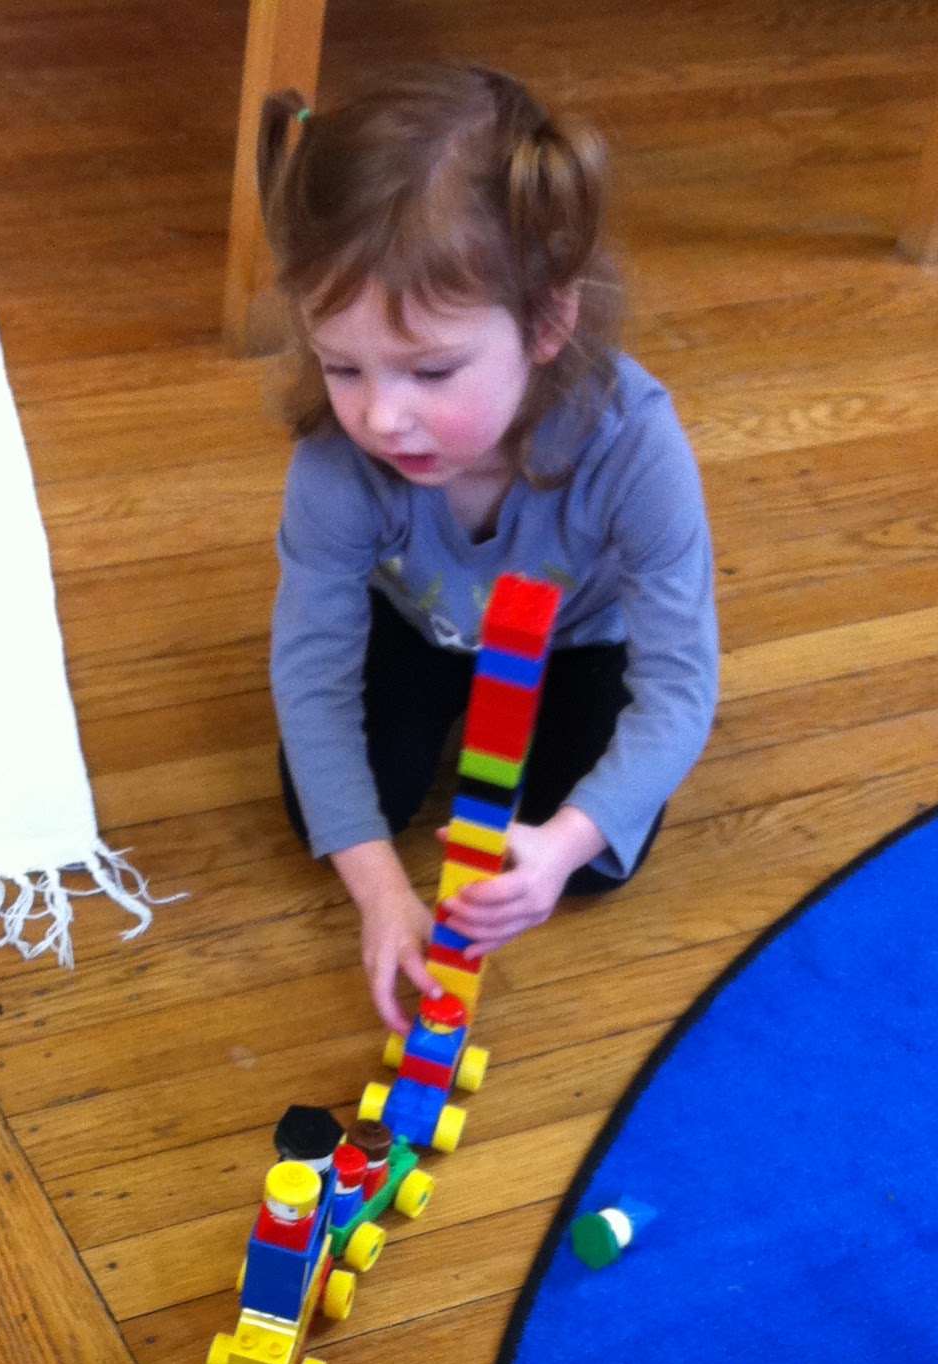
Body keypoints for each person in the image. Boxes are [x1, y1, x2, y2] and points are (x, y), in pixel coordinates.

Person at [259, 64, 718, 1034]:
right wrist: (382, 892)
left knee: (594, 863)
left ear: (548, 320)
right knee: (325, 811)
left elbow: (681, 687)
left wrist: (563, 845)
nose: (381, 416)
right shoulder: (337, 462)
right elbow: (310, 674)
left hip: (575, 641)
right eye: (341, 365)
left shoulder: (637, 445)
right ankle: (449, 719)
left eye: (430, 371)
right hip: (418, 623)